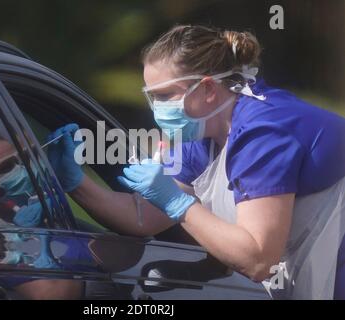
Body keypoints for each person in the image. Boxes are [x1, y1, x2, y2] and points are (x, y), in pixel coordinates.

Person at [50, 25, 345, 299]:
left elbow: (258, 260)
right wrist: (75, 183)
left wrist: (179, 204)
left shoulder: (263, 132)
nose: (158, 108)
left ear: (207, 89)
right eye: (152, 97)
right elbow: (143, 216)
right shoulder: (204, 135)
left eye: (165, 95)